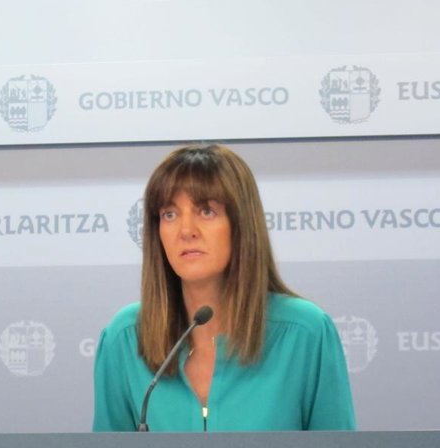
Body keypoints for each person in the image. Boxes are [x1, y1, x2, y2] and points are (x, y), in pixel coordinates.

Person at [93, 143, 355, 432]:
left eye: (206, 211)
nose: (186, 231)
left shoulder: (305, 333)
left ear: (241, 223)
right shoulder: (125, 338)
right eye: (169, 214)